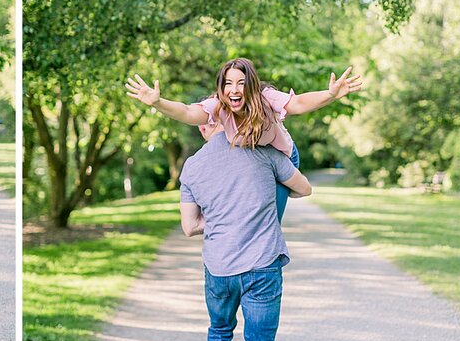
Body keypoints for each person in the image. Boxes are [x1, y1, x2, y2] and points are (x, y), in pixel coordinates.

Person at [179, 122, 312, 341]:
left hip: (220, 270)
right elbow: (305, 188)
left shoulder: (193, 165)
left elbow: (189, 227)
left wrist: (222, 218)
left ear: (205, 126)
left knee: (220, 333)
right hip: (262, 268)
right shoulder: (266, 154)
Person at [126, 57, 361, 219]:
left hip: (282, 157)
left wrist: (330, 95)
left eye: (241, 83)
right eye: (228, 84)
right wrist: (157, 102)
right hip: (250, 157)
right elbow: (188, 112)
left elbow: (297, 103)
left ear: (251, 85)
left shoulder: (266, 97)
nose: (234, 89)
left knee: (267, 221)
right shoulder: (219, 106)